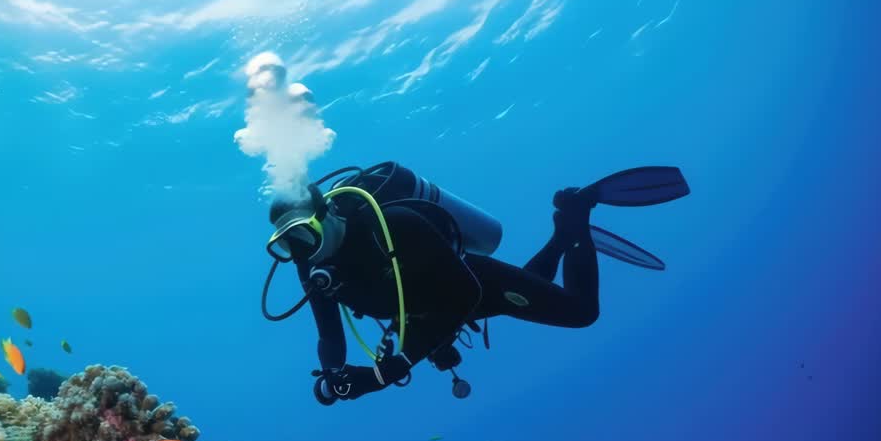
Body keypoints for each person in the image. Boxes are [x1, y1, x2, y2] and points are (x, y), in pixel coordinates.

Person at [262, 161, 689, 404]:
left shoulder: (398, 225)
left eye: (304, 235)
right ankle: (561, 236)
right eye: (287, 244)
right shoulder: (312, 266)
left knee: (581, 313)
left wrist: (391, 368)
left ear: (330, 215)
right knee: (520, 291)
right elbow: (329, 333)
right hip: (431, 308)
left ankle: (576, 218)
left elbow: (467, 294)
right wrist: (333, 376)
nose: (302, 252)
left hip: (465, 282)